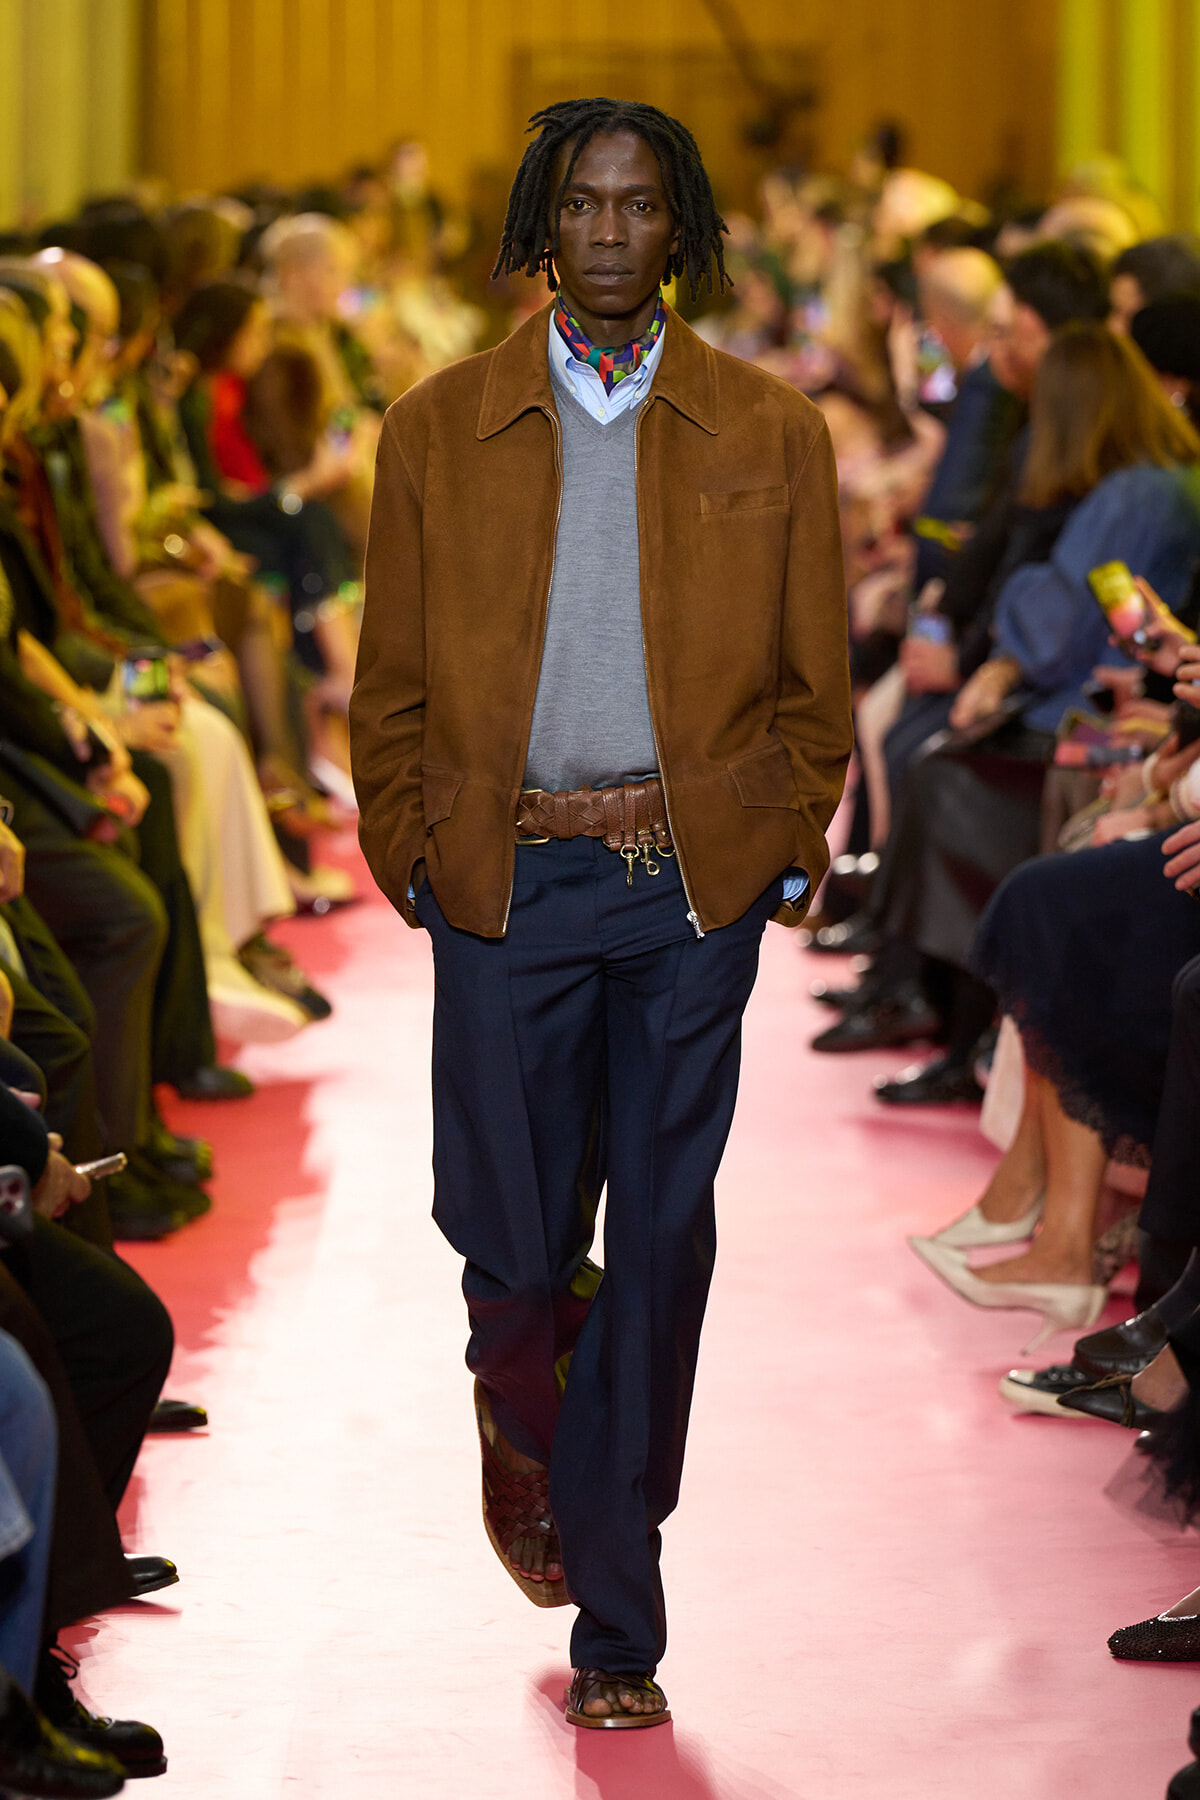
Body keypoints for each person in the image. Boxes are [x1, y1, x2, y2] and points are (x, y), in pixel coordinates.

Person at [350, 97, 851, 1728]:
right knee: (504, 1231)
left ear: (681, 227)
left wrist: (783, 831)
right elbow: (393, 687)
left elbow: (813, 682)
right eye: (586, 206)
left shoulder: (769, 426)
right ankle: (528, 1402)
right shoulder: (437, 427)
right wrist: (412, 848)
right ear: (542, 226)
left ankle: (618, 1622)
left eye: (643, 206)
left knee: (661, 1235)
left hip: (683, 888)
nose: (615, 232)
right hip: (505, 881)